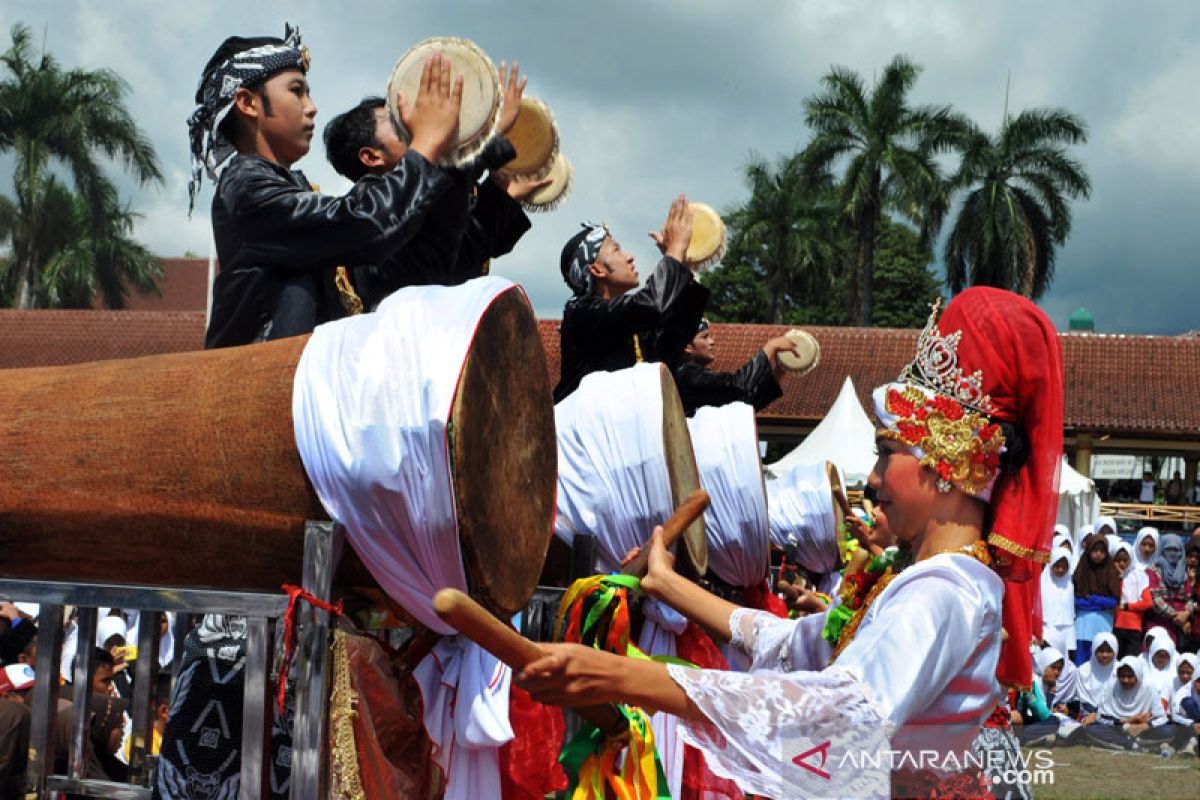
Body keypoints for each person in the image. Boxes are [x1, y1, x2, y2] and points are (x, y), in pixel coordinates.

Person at [519, 287, 1064, 798]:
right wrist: (668, 583)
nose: (873, 480)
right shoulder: (927, 580)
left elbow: (842, 713)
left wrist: (629, 676)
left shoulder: (946, 593)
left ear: (948, 465)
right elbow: (795, 642)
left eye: (886, 451)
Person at [190, 26, 463, 348]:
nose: (311, 106)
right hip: (260, 387)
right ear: (248, 103)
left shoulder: (291, 190)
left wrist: (462, 165)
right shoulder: (246, 189)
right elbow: (363, 223)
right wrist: (425, 147)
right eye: (296, 91)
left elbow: (415, 267)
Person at [322, 63, 544, 309]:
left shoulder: (425, 200)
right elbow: (424, 265)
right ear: (372, 157)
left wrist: (500, 190)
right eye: (399, 124)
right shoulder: (371, 209)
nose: (418, 125)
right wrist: (488, 138)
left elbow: (462, 257)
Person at [552, 198, 708, 402]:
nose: (630, 256)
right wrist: (674, 252)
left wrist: (683, 266)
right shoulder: (582, 313)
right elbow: (652, 306)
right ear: (597, 270)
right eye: (617, 250)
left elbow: (674, 340)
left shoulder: (627, 323)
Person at [671, 318, 799, 415]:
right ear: (687, 347)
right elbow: (738, 384)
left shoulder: (694, 379)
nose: (712, 342)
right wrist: (771, 346)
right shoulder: (686, 376)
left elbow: (746, 404)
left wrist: (780, 368)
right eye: (705, 337)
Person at [1072, 533, 1121, 665]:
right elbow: (1075, 600)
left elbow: (1113, 601)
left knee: (1101, 657)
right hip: (1083, 624)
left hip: (1103, 622)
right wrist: (1101, 603)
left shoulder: (1111, 571)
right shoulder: (1081, 570)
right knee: (1082, 660)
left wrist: (1091, 599)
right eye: (1095, 550)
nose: (1098, 554)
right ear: (1088, 551)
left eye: (1102, 551)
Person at [1147, 533, 1193, 645]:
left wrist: (1186, 613)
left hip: (1180, 626)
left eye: (1176, 550)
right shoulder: (1153, 571)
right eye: (1169, 549)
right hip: (1159, 623)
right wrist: (1177, 616)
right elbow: (1155, 601)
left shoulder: (1183, 572)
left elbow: (1189, 599)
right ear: (1162, 550)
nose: (1172, 553)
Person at [1115, 540, 1154, 659]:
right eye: (1118, 560)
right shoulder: (1113, 576)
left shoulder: (1139, 575)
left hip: (1134, 626)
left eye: (1125, 560)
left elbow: (1147, 603)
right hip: (1117, 625)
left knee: (1131, 661)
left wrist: (1127, 606)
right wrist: (1120, 578)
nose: (1122, 563)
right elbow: (1115, 597)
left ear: (1131, 559)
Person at [1040, 545, 1077, 657]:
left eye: (1064, 567)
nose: (1061, 570)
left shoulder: (1070, 584)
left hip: (1066, 631)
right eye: (1057, 566)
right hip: (1046, 629)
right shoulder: (1042, 583)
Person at [1077, 633, 1118, 714]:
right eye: (1100, 651)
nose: (1104, 655)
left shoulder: (1121, 670)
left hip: (1117, 716)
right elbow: (1083, 700)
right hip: (1089, 716)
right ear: (1093, 650)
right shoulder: (1083, 671)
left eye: (1109, 651)